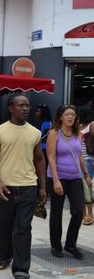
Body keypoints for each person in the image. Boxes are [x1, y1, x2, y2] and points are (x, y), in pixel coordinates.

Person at [0, 94, 46, 277]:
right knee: (4, 225)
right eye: (20, 105)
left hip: (28, 186)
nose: (25, 108)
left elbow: (39, 159)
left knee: (23, 228)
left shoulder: (35, 133)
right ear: (10, 108)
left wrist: (42, 186)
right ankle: (4, 256)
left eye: (27, 105)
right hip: (5, 188)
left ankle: (21, 269)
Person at [47, 104, 91, 259]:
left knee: (78, 211)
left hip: (75, 178)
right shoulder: (54, 133)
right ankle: (56, 245)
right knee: (56, 213)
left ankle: (71, 245)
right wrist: (56, 180)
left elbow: (79, 156)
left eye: (73, 114)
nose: (71, 117)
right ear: (60, 117)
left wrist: (86, 175)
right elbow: (51, 157)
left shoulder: (77, 134)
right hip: (58, 177)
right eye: (67, 114)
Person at [79, 106, 94, 225]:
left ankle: (89, 214)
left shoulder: (92, 125)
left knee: (87, 187)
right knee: (81, 188)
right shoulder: (79, 126)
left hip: (88, 159)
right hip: (79, 160)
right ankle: (84, 214)